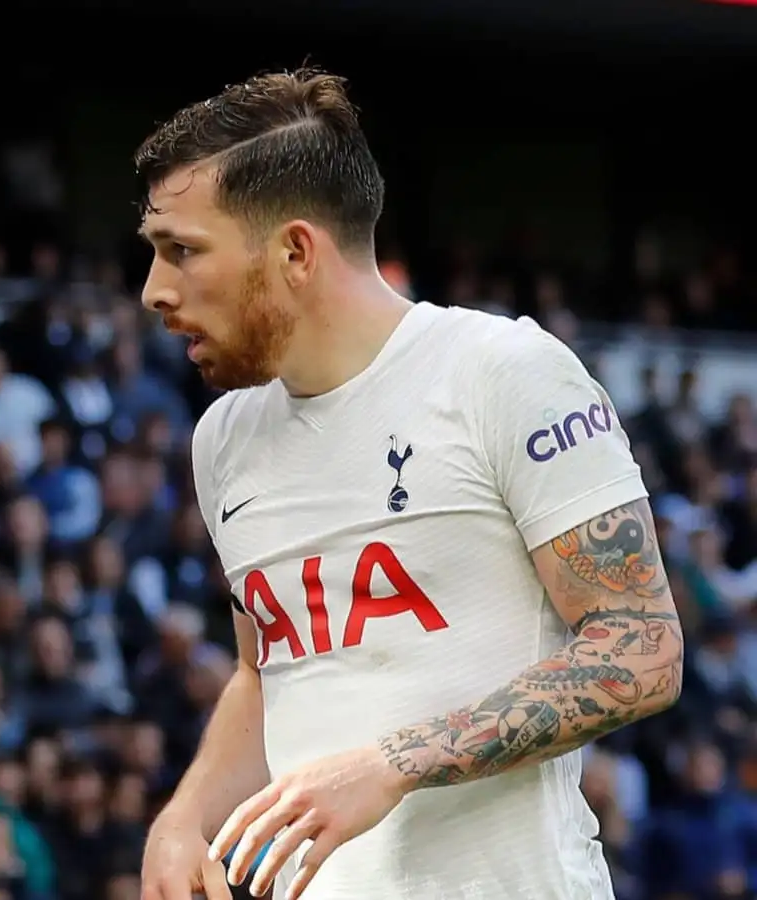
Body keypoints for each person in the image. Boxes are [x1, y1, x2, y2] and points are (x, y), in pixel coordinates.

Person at [132, 70, 683, 900]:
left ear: (293, 252)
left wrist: (394, 764)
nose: (155, 291)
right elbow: (263, 674)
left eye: (184, 251)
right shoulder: (224, 439)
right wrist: (187, 817)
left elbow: (641, 648)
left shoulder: (503, 375)